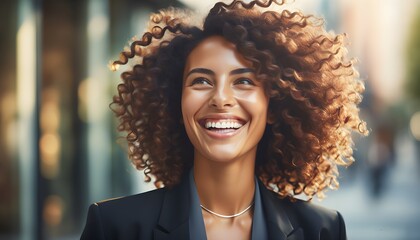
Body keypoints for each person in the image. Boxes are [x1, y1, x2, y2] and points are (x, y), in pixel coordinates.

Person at [81, 0, 368, 239]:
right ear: (175, 103)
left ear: (274, 104)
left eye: (243, 81)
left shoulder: (321, 230)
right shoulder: (114, 227)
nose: (221, 98)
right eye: (201, 81)